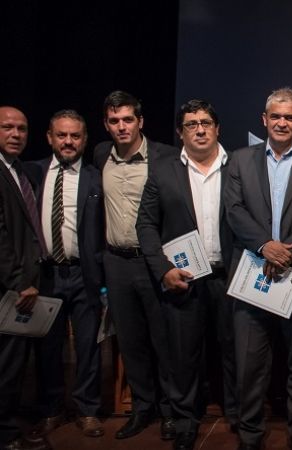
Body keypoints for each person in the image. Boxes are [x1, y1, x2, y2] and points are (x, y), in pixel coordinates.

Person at [224, 87, 292, 450]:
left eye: (290, 117)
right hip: (253, 274)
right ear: (264, 119)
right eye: (276, 116)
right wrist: (265, 247)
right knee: (250, 366)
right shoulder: (238, 160)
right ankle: (251, 435)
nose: (282, 122)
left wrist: (287, 252)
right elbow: (234, 210)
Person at [136, 99, 237, 450]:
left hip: (230, 278)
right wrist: (163, 270)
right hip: (184, 279)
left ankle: (237, 416)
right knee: (183, 355)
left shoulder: (238, 165)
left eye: (206, 122)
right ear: (180, 132)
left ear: (217, 128)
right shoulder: (163, 170)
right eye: (191, 123)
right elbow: (146, 225)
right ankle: (185, 421)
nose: (200, 128)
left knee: (233, 350)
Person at [93, 90, 179, 440]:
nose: (121, 126)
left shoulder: (165, 156)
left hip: (153, 262)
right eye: (114, 121)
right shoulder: (100, 154)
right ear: (106, 124)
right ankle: (143, 409)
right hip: (117, 262)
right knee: (131, 342)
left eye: (128, 119)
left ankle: (173, 411)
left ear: (140, 121)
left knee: (164, 340)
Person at [28, 110, 105, 439]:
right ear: (50, 137)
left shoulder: (95, 178)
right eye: (62, 135)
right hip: (45, 274)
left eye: (75, 136)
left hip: (83, 273)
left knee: (88, 345)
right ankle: (51, 408)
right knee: (48, 346)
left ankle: (88, 410)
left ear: (84, 140)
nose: (69, 141)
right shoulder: (32, 174)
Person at [0, 106, 50, 450]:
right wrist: (19, 280)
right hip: (11, 287)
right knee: (6, 364)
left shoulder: (19, 170)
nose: (16, 134)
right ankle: (5, 432)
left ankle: (13, 423)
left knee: (19, 363)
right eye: (7, 128)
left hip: (29, 281)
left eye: (21, 128)